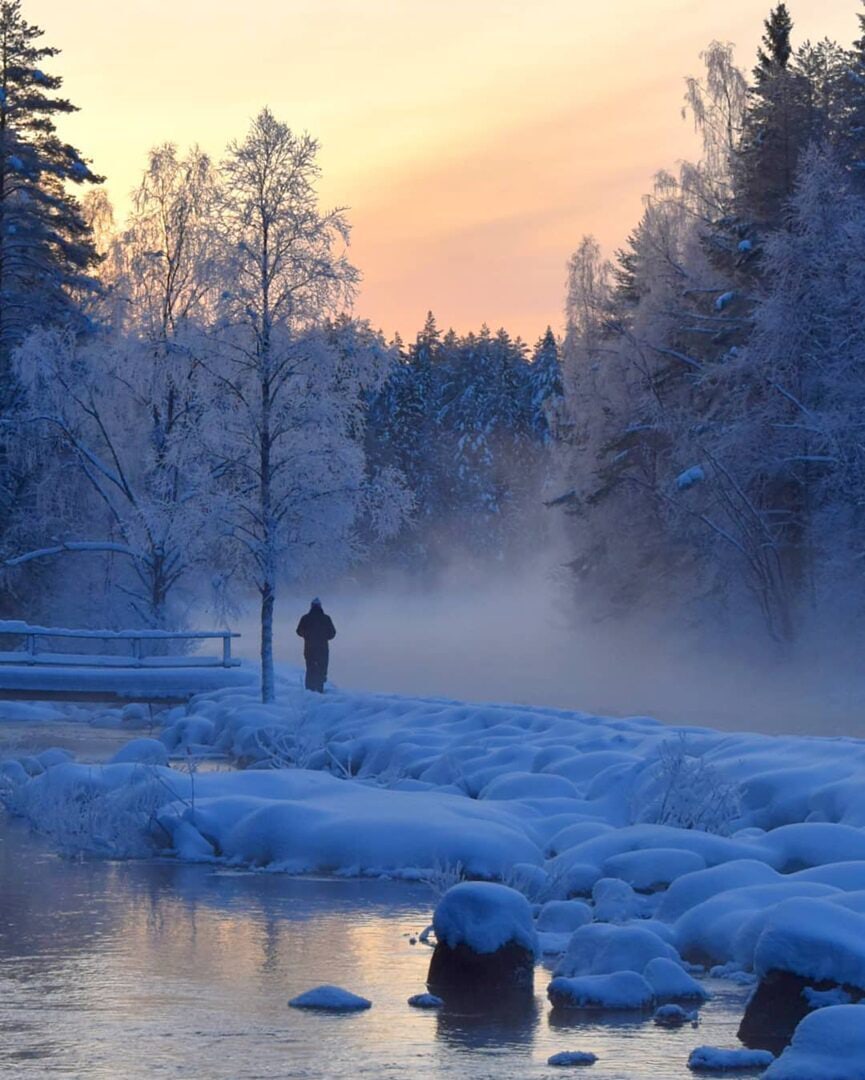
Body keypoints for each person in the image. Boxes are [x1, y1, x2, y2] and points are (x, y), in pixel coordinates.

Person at [296, 598, 336, 693]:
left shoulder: (305, 618)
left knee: (310, 669)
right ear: (320, 606)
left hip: (309, 649)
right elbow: (332, 633)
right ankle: (319, 689)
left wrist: (307, 636)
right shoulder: (326, 618)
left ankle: (309, 690)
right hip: (323, 649)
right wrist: (324, 637)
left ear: (311, 606)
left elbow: (298, 631)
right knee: (321, 669)